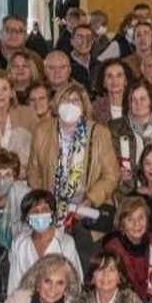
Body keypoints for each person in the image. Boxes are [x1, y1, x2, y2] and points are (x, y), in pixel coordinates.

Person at [26, 84, 119, 221]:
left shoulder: (100, 133)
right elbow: (33, 172)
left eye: (75, 100)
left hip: (87, 208)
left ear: (83, 106)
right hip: (51, 207)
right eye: (65, 100)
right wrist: (44, 202)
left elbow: (111, 175)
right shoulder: (42, 131)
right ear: (57, 104)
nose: (70, 105)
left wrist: (90, 200)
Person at [5, 189, 82, 294]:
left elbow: (75, 286)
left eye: (45, 210)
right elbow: (14, 286)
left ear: (52, 213)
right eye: (35, 211)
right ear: (27, 217)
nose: (40, 215)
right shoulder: (19, 243)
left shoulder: (65, 243)